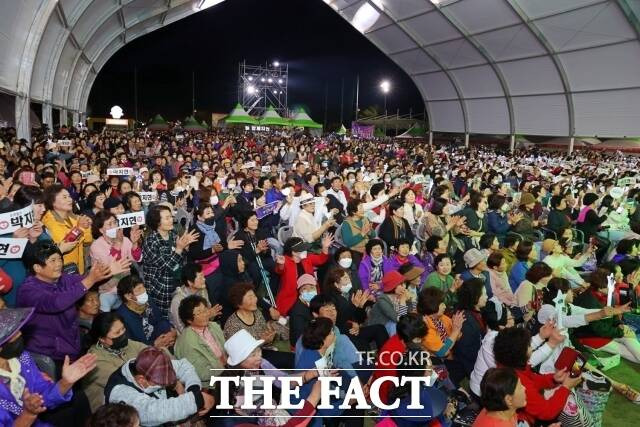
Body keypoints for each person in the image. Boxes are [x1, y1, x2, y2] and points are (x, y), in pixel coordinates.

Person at [17, 241, 121, 378]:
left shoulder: (61, 279)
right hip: (48, 356)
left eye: (60, 259)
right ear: (37, 267)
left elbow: (85, 280)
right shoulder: (28, 290)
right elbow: (56, 302)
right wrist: (90, 280)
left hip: (70, 347)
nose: (59, 264)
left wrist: (107, 272)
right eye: (53, 261)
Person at [0, 307, 97, 426]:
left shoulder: (22, 358)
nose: (20, 333)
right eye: (13, 334)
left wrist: (65, 382)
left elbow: (43, 395)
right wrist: (28, 414)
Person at [493, 327, 590, 426]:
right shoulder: (516, 382)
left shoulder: (509, 366)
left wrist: (554, 379)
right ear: (520, 354)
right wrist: (566, 387)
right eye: (529, 346)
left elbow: (533, 380)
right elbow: (547, 412)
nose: (532, 348)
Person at [104, 347, 215, 426]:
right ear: (141, 380)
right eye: (160, 383)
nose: (165, 384)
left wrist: (193, 389)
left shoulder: (152, 363)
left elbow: (183, 366)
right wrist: (197, 399)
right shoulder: (120, 392)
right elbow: (154, 411)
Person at [142, 205, 199, 318]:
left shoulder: (173, 235)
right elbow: (166, 267)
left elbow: (180, 261)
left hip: (177, 283)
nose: (172, 220)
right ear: (157, 222)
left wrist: (186, 248)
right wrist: (179, 249)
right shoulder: (151, 241)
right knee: (167, 318)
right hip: (162, 288)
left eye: (171, 216)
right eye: (167, 218)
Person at [84, 312, 148, 412]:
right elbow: (127, 382)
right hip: (110, 413)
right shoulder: (95, 360)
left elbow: (152, 354)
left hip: (134, 401)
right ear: (102, 339)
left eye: (123, 329)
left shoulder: (126, 345)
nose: (122, 334)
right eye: (117, 333)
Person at [573, 268, 640, 363]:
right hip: (590, 336)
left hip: (608, 330)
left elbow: (614, 313)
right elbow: (597, 328)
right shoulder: (588, 301)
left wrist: (619, 325)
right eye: (610, 286)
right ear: (600, 288)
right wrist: (620, 332)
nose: (613, 288)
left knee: (630, 337)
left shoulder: (607, 294)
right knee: (625, 351)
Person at [223, 282, 293, 369]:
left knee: (292, 359)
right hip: (248, 361)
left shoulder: (257, 313)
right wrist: (262, 341)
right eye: (250, 297)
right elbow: (240, 355)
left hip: (261, 352)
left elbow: (264, 336)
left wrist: (268, 339)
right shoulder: (232, 325)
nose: (255, 299)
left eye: (254, 296)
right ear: (239, 304)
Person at [322, 266, 387, 352]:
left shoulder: (350, 293)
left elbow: (360, 319)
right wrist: (353, 309)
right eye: (345, 278)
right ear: (336, 284)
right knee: (363, 344)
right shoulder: (331, 299)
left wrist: (361, 307)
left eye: (349, 278)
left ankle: (387, 357)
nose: (349, 281)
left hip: (354, 328)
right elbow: (338, 321)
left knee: (380, 328)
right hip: (342, 333)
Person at [90, 210, 142, 312]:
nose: (114, 226)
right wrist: (118, 244)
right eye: (110, 224)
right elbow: (109, 267)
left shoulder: (125, 240)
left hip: (125, 286)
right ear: (101, 230)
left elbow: (137, 259)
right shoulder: (96, 246)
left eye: (115, 222)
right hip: (108, 290)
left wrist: (135, 243)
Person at [371, 313, 427, 405]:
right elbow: (394, 389)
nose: (421, 342)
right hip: (388, 397)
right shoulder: (394, 357)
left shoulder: (399, 338)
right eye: (419, 339)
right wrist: (421, 375)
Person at [174, 295, 227, 387]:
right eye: (199, 313)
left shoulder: (213, 326)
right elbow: (200, 372)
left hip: (227, 371)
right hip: (210, 384)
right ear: (189, 320)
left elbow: (226, 348)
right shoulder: (187, 342)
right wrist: (223, 366)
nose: (206, 314)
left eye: (205, 310)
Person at [41, 184, 94, 274]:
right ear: (52, 201)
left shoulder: (74, 217)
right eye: (64, 197)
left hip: (78, 268)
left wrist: (86, 225)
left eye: (69, 196)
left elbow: (87, 241)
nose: (70, 199)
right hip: (62, 271)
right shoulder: (49, 221)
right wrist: (80, 228)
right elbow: (66, 244)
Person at [274, 235, 331, 316]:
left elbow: (321, 259)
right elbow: (279, 270)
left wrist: (325, 247)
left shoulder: (307, 258)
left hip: (310, 292)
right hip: (291, 298)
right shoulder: (284, 260)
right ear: (293, 252)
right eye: (302, 249)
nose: (305, 250)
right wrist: (281, 264)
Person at [115, 275, 175, 348]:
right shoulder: (122, 317)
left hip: (156, 336)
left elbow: (160, 319)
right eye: (139, 289)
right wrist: (154, 345)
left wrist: (171, 333)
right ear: (128, 296)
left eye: (143, 287)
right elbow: (130, 346)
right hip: (141, 347)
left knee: (165, 325)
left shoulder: (147, 300)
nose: (144, 291)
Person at [451, 278, 488, 384]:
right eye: (484, 294)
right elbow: (466, 353)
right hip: (468, 371)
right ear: (475, 297)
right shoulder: (465, 320)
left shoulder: (475, 312)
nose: (486, 297)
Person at [169, 263, 220, 333]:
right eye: (200, 277)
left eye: (203, 276)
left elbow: (208, 311)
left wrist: (210, 315)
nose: (204, 279)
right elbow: (182, 329)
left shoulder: (203, 290)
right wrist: (207, 316)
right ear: (190, 282)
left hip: (205, 328)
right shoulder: (177, 301)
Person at [367, 271, 409, 335]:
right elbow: (399, 319)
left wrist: (409, 300)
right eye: (400, 284)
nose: (404, 287)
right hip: (377, 331)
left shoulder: (399, 296)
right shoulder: (382, 300)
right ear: (393, 286)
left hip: (390, 329)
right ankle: (394, 344)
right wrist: (403, 301)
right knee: (393, 325)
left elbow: (409, 313)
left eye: (404, 283)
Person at [340, 199, 376, 266]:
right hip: (355, 250)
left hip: (367, 247)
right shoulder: (346, 224)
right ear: (354, 212)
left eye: (362, 207)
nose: (363, 209)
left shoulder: (365, 219)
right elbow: (348, 242)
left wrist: (370, 230)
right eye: (360, 208)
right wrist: (362, 234)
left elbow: (373, 235)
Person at [288, 274, 317, 347]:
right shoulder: (298, 312)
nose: (309, 291)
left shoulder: (311, 303)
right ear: (300, 292)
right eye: (304, 288)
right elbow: (299, 338)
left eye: (312, 287)